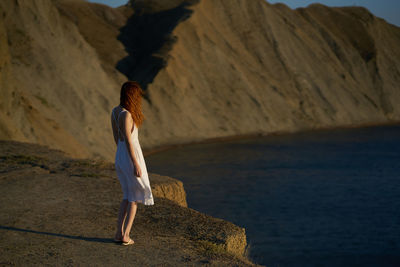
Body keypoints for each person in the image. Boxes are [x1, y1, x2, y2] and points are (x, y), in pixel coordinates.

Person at [111, 81, 154, 246]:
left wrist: (121, 156)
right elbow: (129, 141)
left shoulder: (115, 112)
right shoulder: (128, 115)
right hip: (131, 155)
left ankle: (118, 233)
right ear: (132, 96)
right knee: (134, 198)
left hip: (120, 155)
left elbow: (117, 138)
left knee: (127, 196)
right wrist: (135, 163)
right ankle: (126, 235)